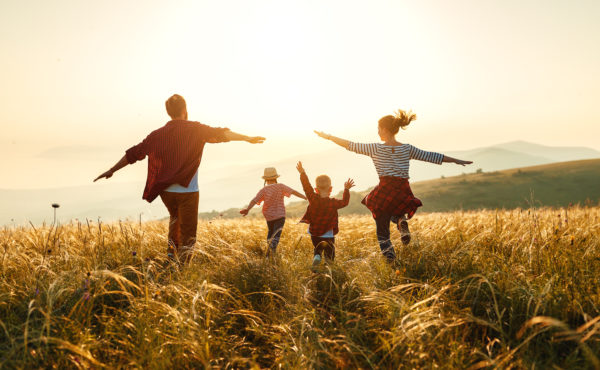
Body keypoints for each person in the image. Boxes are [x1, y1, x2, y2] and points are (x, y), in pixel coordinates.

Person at [94, 94, 265, 263]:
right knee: (188, 232)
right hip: (188, 191)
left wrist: (112, 170)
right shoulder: (195, 129)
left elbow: (134, 153)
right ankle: (182, 267)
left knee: (175, 220)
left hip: (166, 192)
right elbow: (222, 134)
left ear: (169, 112)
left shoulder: (157, 135)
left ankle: (171, 257)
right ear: (184, 110)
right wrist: (247, 138)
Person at [314, 109, 472, 263]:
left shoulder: (375, 148)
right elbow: (431, 156)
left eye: (378, 129)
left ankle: (390, 259)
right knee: (395, 211)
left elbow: (350, 145)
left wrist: (328, 137)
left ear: (384, 129)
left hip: (384, 189)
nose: (377, 132)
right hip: (402, 190)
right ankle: (400, 221)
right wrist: (457, 161)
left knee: (382, 231)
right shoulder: (407, 149)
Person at [296, 161, 354, 270]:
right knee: (329, 253)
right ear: (331, 189)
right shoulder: (333, 203)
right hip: (328, 233)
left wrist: (302, 173)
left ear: (316, 189)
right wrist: (346, 189)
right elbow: (345, 202)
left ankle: (317, 256)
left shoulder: (312, 198)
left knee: (317, 248)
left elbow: (306, 187)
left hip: (315, 232)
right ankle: (328, 268)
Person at [239, 167, 306, 255]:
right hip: (280, 215)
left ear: (265, 179)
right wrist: (305, 197)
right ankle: (271, 250)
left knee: (270, 233)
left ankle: (269, 252)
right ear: (276, 177)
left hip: (269, 216)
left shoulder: (264, 190)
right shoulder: (281, 186)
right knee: (276, 234)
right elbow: (293, 192)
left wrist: (248, 209)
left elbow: (254, 200)